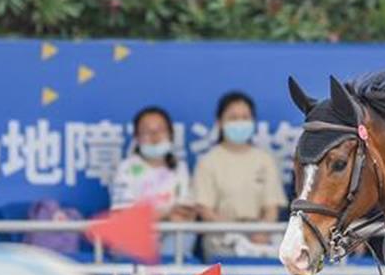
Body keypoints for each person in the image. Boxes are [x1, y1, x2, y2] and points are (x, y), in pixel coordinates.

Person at [193, 91, 287, 259]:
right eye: (233, 118)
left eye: (245, 117)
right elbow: (205, 209)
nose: (240, 123)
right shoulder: (208, 161)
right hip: (221, 237)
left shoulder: (264, 159)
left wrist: (262, 232)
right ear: (220, 123)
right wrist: (236, 233)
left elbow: (271, 207)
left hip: (261, 235)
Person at [110, 105, 197, 259]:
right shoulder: (127, 168)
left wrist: (179, 214)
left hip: (170, 238)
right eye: (147, 132)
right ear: (137, 138)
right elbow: (123, 215)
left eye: (160, 130)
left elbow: (185, 211)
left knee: (186, 234)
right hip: (137, 237)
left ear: (170, 135)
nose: (155, 137)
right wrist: (165, 214)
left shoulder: (179, 167)